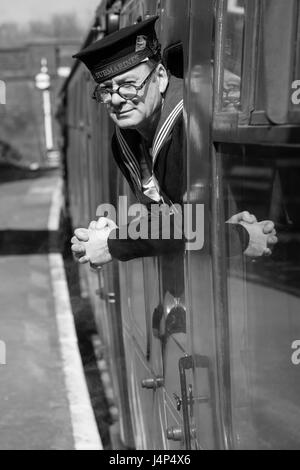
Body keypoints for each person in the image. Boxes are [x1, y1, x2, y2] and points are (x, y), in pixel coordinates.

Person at [71, 17, 277, 268]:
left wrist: (112, 244)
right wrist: (116, 231)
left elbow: (195, 223)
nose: (116, 100)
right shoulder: (124, 139)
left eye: (128, 86)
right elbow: (168, 219)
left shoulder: (193, 121)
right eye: (106, 90)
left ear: (160, 76)